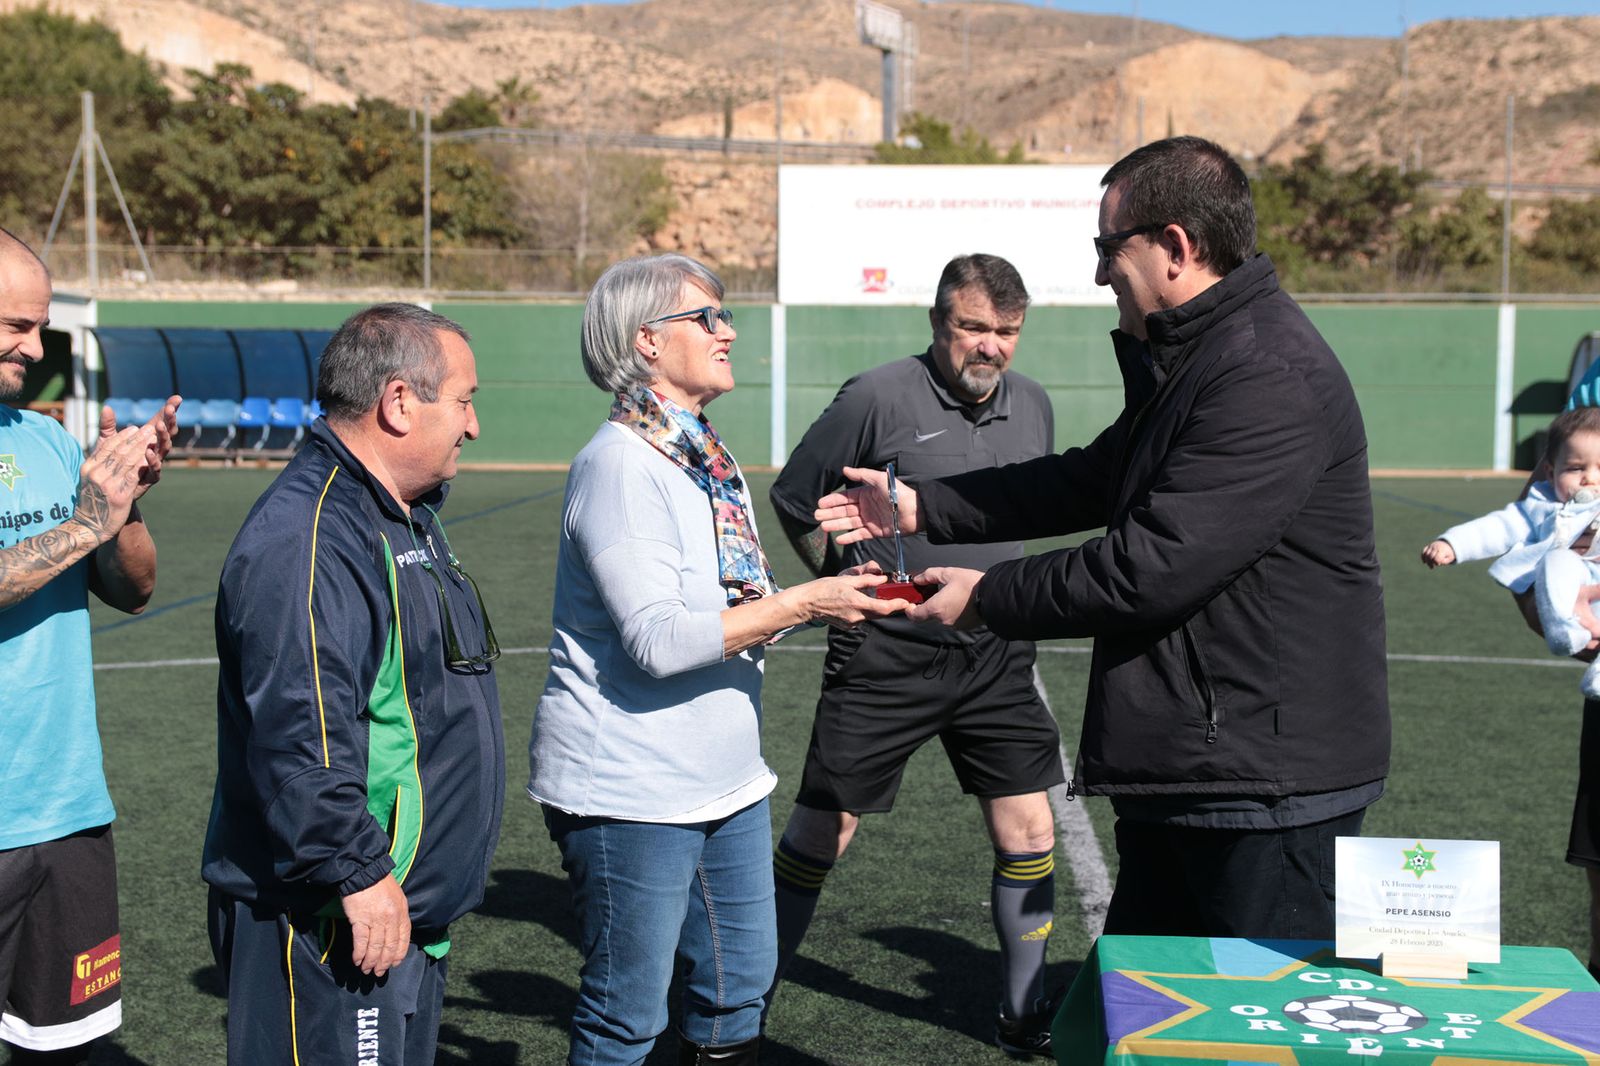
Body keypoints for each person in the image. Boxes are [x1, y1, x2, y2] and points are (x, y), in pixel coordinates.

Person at [816, 136, 1390, 942]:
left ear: (1177, 249)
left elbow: (1151, 565)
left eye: (1106, 249)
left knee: (1248, 1035)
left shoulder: (1263, 373)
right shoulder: (1204, 359)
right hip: (1205, 769)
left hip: (1265, 788)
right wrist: (919, 506)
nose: (1097, 274)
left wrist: (988, 598)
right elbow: (1090, 478)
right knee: (1151, 1020)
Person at [528, 252, 906, 1066]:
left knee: (739, 992)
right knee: (627, 1015)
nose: (726, 330)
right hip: (633, 788)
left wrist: (845, 589)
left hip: (723, 779)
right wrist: (809, 602)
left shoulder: (701, 452)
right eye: (706, 317)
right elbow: (661, 641)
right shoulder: (622, 463)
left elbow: (730, 609)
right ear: (648, 343)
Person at [764, 253, 1062, 1057]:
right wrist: (836, 578)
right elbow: (795, 495)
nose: (990, 347)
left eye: (1006, 332)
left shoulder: (1035, 407)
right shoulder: (875, 396)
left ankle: (1025, 1014)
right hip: (886, 650)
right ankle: (739, 1008)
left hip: (997, 649)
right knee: (824, 833)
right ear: (939, 325)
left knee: (1031, 831)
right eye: (973, 328)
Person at [203, 303, 504, 1066]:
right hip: (336, 913)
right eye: (464, 400)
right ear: (400, 403)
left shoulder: (403, 513)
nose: (472, 426)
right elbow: (300, 735)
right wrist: (360, 872)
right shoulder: (308, 537)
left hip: (396, 910)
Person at [0, 228, 178, 1065]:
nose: (36, 349)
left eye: (40, 328)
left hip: (67, 813)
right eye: (14, 327)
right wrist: (81, 523)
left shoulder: (43, 438)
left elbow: (133, 589)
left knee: (72, 1051)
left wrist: (124, 502)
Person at [1423, 406, 1600, 697]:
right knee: (1557, 562)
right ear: (1551, 471)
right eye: (1576, 468)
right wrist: (1453, 543)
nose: (1589, 479)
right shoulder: (1541, 507)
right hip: (1570, 592)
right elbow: (1499, 526)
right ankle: (1564, 630)